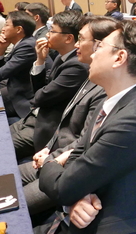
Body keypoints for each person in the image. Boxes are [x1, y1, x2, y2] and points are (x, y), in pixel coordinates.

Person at [35, 20, 136, 234]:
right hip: (76, 222)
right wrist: (76, 193)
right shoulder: (112, 102)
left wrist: (49, 163)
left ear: (119, 58)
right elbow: (77, 157)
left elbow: (63, 186)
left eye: (100, 47)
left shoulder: (134, 120)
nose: (93, 54)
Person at [18, 17, 114, 218]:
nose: (77, 45)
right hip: (53, 153)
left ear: (99, 46)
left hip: (66, 167)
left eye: (82, 39)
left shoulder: (103, 86)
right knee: (6, 180)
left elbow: (86, 140)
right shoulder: (90, 74)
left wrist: (51, 158)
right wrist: (48, 148)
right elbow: (64, 122)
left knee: (14, 204)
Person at [11, 10, 88, 161]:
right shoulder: (61, 56)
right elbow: (42, 90)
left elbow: (41, 96)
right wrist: (40, 60)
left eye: (52, 31)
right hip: (35, 115)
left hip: (47, 126)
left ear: (68, 38)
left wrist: (39, 95)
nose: (47, 34)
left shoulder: (77, 66)